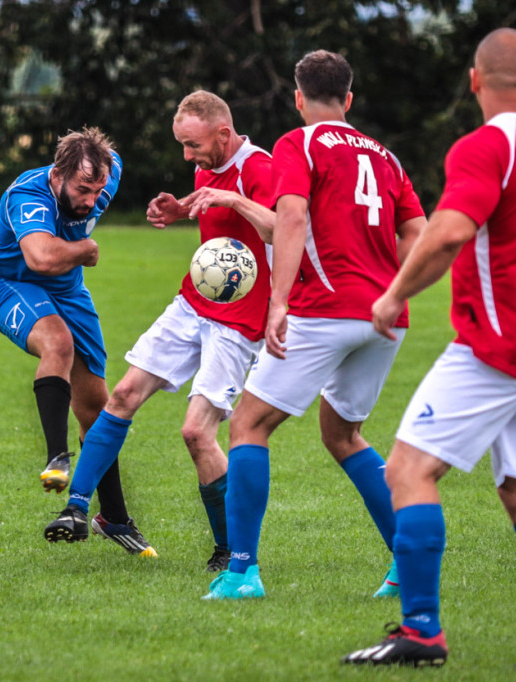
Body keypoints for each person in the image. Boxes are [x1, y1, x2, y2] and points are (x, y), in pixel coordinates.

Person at [342, 28, 516, 668]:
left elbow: (449, 232)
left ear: (474, 81)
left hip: (495, 343)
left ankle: (422, 632)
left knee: (408, 470)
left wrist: (392, 294)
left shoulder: (484, 146)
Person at [203, 50, 427, 600]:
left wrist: (277, 301)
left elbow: (293, 217)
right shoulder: (387, 157)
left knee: (248, 426)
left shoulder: (296, 143)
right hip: (385, 318)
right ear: (348, 99)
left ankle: (241, 573)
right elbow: (417, 233)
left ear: (299, 97)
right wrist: (394, 294)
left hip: (324, 308)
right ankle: (405, 567)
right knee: (343, 434)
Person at [44, 91, 275, 568]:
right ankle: (78, 508)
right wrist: (180, 209)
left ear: (223, 134)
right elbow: (212, 208)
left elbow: (280, 227)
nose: (187, 156)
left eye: (192, 146)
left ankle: (232, 549)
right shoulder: (206, 166)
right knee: (123, 395)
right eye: (183, 146)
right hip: (194, 302)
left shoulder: (260, 168)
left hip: (241, 319)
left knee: (196, 433)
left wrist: (231, 196)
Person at [0, 126, 150, 555]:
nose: (91, 199)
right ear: (58, 174)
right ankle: (57, 458)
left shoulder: (107, 173)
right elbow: (41, 257)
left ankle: (115, 518)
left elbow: (102, 164)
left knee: (97, 407)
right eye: (82, 188)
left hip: (68, 291)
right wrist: (87, 249)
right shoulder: (28, 196)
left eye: (98, 189)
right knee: (58, 343)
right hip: (10, 283)